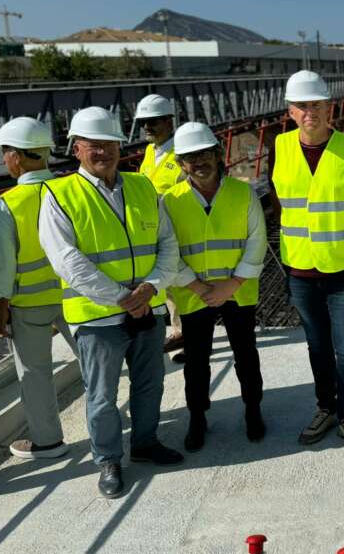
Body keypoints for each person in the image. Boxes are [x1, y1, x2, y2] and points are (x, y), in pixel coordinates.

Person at [39, 106, 183, 499]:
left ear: (121, 146)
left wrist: (152, 287)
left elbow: (167, 244)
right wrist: (123, 298)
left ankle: (146, 443)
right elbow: (67, 261)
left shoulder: (142, 187)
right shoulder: (58, 194)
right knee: (102, 396)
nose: (103, 151)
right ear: (77, 148)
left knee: (150, 384)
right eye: (94, 145)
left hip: (147, 310)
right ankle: (108, 460)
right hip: (98, 317)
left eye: (110, 144)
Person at [272, 70, 344, 454]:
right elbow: (279, 202)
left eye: (316, 105)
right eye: (302, 106)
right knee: (317, 346)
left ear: (328, 107)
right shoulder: (278, 147)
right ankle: (325, 407)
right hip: (300, 269)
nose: (309, 112)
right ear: (291, 110)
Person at [163, 122, 266, 452]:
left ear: (218, 155)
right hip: (195, 294)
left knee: (245, 356)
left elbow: (256, 242)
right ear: (181, 164)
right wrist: (195, 285)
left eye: (205, 154)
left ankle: (253, 409)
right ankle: (197, 416)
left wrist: (231, 284)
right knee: (196, 361)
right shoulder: (170, 201)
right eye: (190, 158)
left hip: (237, 291)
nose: (199, 162)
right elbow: (168, 250)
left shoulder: (242, 193)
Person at [0, 118, 73, 460]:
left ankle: (48, 442)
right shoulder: (70, 188)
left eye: (5, 152)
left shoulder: (7, 204)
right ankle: (108, 426)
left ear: (17, 157)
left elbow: (3, 269)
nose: (3, 160)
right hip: (76, 298)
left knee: (35, 374)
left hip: (29, 305)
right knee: (96, 366)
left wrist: (1, 308)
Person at [134, 94, 186, 355]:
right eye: (144, 122)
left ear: (168, 121)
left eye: (153, 122)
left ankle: (193, 334)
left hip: (179, 229)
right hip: (154, 230)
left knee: (184, 284)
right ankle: (179, 331)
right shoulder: (150, 152)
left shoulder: (181, 152)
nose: (147, 127)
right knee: (168, 286)